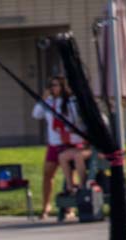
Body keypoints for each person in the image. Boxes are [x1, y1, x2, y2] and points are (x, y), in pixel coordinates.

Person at [31, 75, 77, 220]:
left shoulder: (70, 102)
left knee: (69, 177)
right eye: (51, 85)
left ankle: (69, 208)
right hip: (53, 144)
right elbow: (36, 114)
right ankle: (46, 206)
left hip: (67, 143)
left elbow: (74, 119)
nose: (53, 88)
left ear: (62, 87)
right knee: (47, 175)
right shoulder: (48, 102)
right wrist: (43, 99)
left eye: (56, 85)